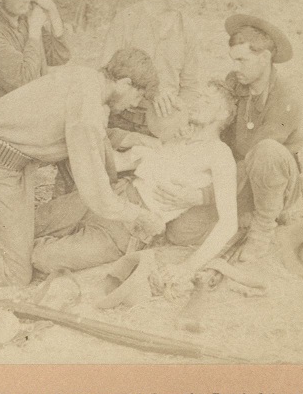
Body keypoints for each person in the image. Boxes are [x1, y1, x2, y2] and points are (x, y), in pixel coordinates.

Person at [0, 48, 164, 287]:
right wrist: (138, 215)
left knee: (16, 235)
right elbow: (95, 192)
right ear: (125, 83)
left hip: (5, 157)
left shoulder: (87, 79)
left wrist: (132, 139)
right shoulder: (87, 109)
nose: (134, 105)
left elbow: (87, 133)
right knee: (16, 272)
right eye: (137, 97)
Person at [33, 83, 239, 284]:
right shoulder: (176, 136)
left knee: (42, 257)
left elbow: (229, 223)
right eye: (199, 96)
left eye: (207, 100)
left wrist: (188, 266)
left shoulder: (219, 154)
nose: (197, 102)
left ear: (223, 114)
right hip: (109, 196)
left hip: (128, 227)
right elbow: (119, 162)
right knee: (32, 222)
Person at [164, 15, 303, 263]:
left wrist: (205, 195)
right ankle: (242, 219)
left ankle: (263, 227)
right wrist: (192, 128)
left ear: (265, 57)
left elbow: (255, 159)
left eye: (242, 60)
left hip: (271, 182)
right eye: (233, 60)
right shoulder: (235, 83)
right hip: (234, 179)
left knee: (266, 151)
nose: (236, 67)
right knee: (180, 231)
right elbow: (215, 119)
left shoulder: (286, 98)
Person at [101, 0, 216, 135]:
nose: (190, 1)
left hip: (163, 123)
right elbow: (105, 72)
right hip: (119, 117)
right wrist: (153, 91)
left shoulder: (188, 30)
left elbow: (190, 86)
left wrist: (180, 112)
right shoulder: (129, 18)